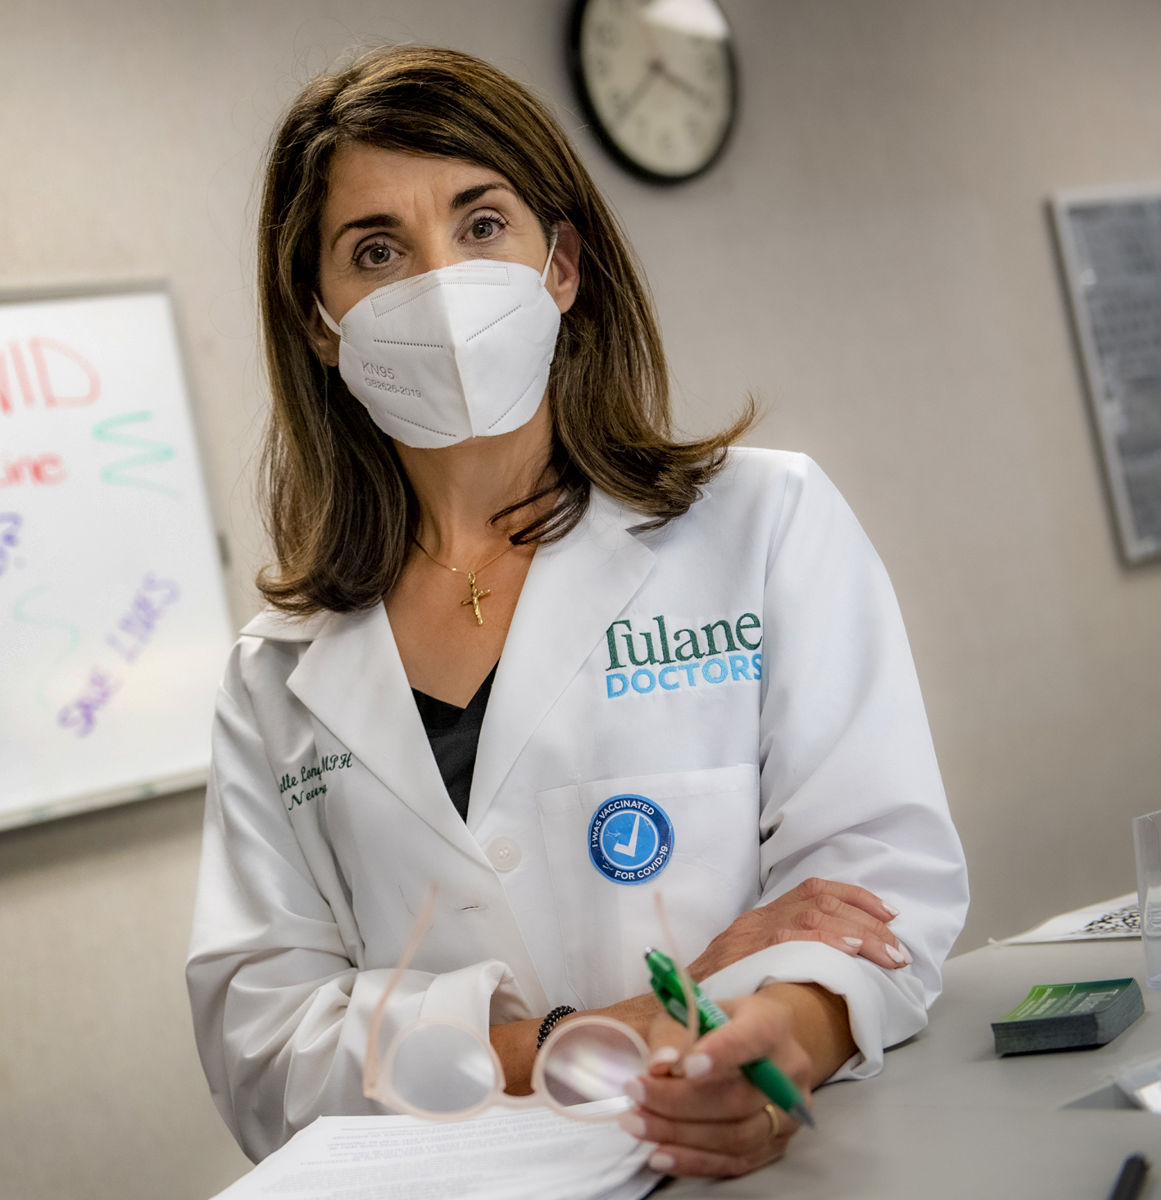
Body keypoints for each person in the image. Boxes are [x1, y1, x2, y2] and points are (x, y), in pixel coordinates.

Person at [185, 45, 968, 1180]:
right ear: (320, 321)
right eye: (376, 250)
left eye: (482, 223)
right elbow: (259, 1043)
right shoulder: (276, 677)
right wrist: (566, 1042)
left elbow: (871, 891)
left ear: (561, 265)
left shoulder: (762, 525)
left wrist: (779, 1044)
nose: (439, 283)